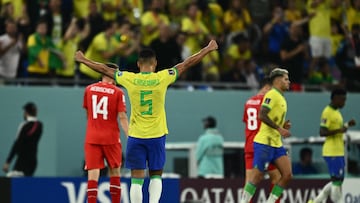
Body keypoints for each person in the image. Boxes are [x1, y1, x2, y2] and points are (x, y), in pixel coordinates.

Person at [75, 39, 218, 203]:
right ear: (155, 63)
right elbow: (187, 63)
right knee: (156, 174)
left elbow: (103, 69)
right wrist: (207, 49)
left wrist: (84, 60)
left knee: (136, 178)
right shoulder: (163, 77)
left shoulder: (129, 78)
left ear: (138, 64)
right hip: (157, 135)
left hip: (136, 136)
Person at [240, 68, 292, 203]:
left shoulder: (249, 102)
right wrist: (279, 128)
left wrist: (281, 125)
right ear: (269, 85)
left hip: (251, 143)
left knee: (253, 179)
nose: (288, 82)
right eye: (286, 79)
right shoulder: (270, 97)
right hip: (264, 142)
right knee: (269, 177)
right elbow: (262, 117)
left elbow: (247, 122)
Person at [82, 63, 129, 203]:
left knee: (93, 174)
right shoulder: (118, 92)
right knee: (115, 172)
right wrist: (130, 136)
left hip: (92, 137)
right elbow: (122, 117)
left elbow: (88, 114)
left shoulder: (89, 89)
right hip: (111, 138)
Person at [308, 89, 356, 203]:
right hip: (332, 151)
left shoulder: (337, 112)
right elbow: (322, 132)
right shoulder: (327, 112)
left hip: (339, 151)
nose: (344, 103)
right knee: (336, 181)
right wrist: (340, 130)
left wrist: (347, 125)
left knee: (338, 180)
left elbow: (338, 129)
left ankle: (315, 201)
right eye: (342, 100)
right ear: (335, 99)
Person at [2, 102, 43, 177]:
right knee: (25, 184)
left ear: (26, 113)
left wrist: (8, 162)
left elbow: (17, 144)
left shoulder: (23, 125)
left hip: (22, 162)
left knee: (11, 182)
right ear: (36, 112)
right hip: (33, 162)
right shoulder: (40, 125)